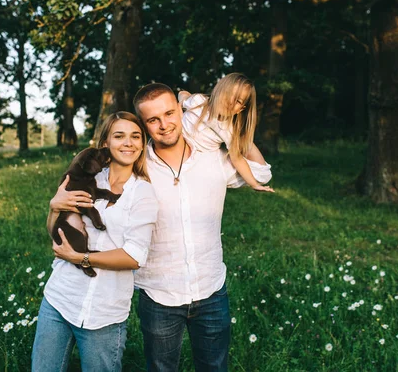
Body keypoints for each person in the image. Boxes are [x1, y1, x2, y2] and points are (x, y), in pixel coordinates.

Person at [132, 83, 272, 371]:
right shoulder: (136, 167)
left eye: (169, 113)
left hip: (211, 290)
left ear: (181, 111)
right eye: (153, 120)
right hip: (158, 293)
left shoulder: (213, 158)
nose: (164, 125)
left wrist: (232, 134)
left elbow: (261, 172)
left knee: (214, 367)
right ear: (144, 125)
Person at [31, 111, 158, 372]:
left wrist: (81, 258)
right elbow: (54, 230)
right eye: (119, 136)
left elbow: (134, 257)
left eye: (135, 136)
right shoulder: (86, 177)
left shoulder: (143, 193)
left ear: (142, 144)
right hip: (59, 298)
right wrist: (54, 207)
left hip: (104, 312)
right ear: (105, 144)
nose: (128, 143)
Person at [178, 72, 274, 192]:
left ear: (240, 110)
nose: (231, 102)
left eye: (238, 101)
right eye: (228, 94)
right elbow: (182, 94)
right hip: (177, 150)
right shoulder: (198, 102)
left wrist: (254, 184)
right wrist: (181, 101)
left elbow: (237, 159)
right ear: (218, 90)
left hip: (203, 161)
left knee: (263, 173)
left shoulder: (228, 129)